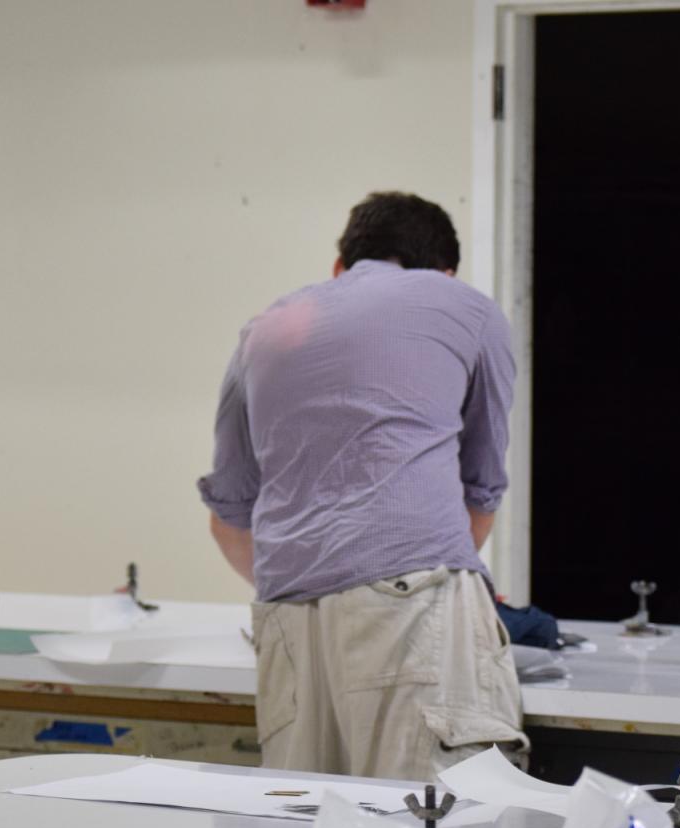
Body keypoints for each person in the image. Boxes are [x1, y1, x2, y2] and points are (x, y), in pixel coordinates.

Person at [198, 191, 527, 782]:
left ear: (339, 266)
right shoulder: (467, 309)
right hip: (412, 604)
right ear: (443, 272)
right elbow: (480, 491)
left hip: (288, 622)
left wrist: (319, 572)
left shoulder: (266, 328)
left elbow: (227, 520)